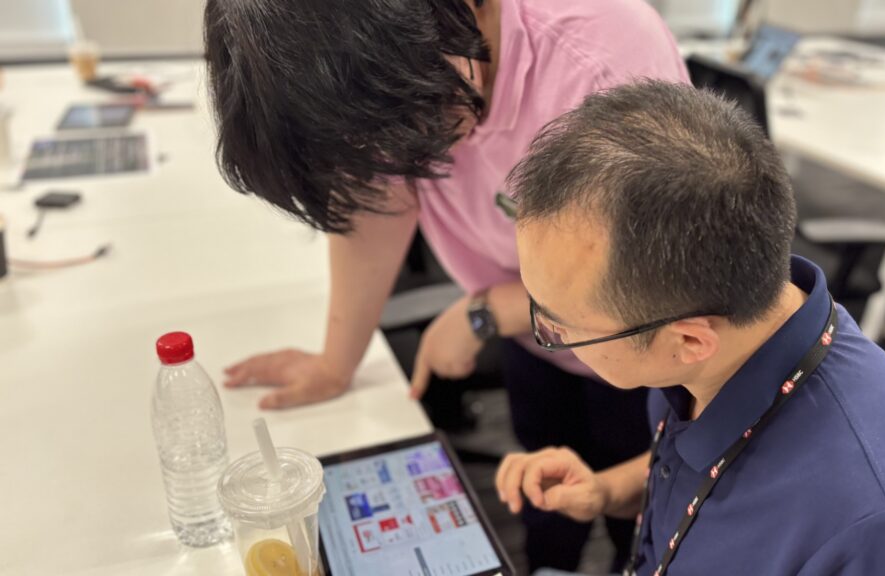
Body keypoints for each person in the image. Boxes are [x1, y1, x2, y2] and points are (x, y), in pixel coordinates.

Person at [202, 0, 688, 571]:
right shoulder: (392, 63)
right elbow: (376, 205)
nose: (400, 154)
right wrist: (336, 362)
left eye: (418, 122)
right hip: (537, 340)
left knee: (641, 515)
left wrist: (486, 313)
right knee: (543, 486)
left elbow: (657, 285)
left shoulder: (603, 63)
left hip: (646, 353)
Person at [496, 80, 885, 576]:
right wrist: (606, 492)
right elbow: (712, 488)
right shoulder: (729, 337)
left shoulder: (883, 535)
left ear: (691, 341)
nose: (546, 330)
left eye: (559, 325)